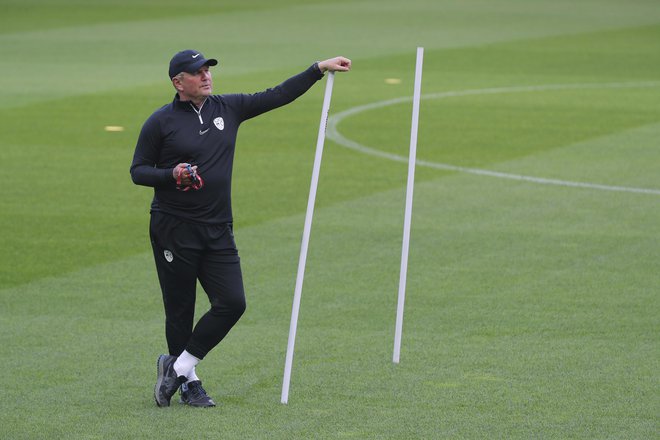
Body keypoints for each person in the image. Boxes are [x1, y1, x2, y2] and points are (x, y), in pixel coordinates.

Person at [130, 49, 351, 408]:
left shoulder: (227, 108)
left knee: (232, 302)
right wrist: (170, 175)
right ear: (178, 82)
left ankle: (178, 367)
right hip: (174, 229)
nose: (206, 76)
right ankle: (189, 384)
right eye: (196, 72)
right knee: (180, 309)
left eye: (207, 70)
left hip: (218, 228)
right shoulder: (161, 122)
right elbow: (138, 171)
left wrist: (317, 69)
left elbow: (276, 95)